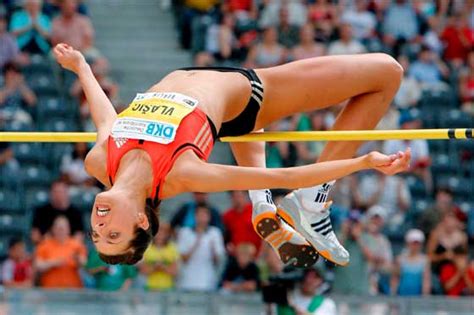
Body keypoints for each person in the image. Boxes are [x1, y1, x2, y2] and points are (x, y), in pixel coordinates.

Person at [52, 42, 410, 267]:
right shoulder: (180, 175)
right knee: (387, 72)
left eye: (96, 235)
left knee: (243, 132)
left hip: (219, 103)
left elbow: (105, 119)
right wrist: (363, 163)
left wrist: (82, 67)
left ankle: (262, 205)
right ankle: (314, 201)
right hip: (247, 91)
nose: (98, 228)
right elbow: (284, 177)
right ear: (142, 222)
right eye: (112, 235)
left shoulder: (98, 162)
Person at [176, 205, 225, 291]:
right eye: (199, 215)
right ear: (195, 216)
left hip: (208, 280)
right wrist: (196, 244)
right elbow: (183, 259)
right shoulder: (185, 232)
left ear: (209, 217)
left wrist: (212, 249)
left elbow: (218, 261)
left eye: (204, 215)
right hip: (187, 280)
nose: (202, 218)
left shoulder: (215, 233)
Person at [35, 216, 87, 288]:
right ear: (53, 229)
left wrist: (77, 259)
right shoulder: (44, 245)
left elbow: (85, 264)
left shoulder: (77, 245)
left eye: (63, 229)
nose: (61, 231)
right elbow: (38, 266)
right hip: (49, 289)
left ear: (68, 229)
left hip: (73, 288)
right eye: (58, 229)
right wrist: (54, 262)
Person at [31, 180, 84, 244]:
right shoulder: (41, 211)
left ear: (67, 193)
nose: (58, 195)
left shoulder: (76, 213)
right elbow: (35, 236)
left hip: (69, 249)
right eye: (56, 192)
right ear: (51, 193)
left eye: (61, 192)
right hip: (46, 248)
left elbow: (79, 236)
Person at [391, 229, 431, 296]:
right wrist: (393, 295)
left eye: (417, 243)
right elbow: (395, 279)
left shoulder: (425, 260)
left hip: (417, 297)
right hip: (401, 296)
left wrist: (425, 297)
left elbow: (426, 281)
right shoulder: (400, 259)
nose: (415, 246)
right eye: (413, 243)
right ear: (408, 243)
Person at [140, 223, 179, 291]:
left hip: (168, 288)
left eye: (163, 233)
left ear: (167, 234)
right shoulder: (147, 249)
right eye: (158, 233)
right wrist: (155, 267)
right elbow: (143, 271)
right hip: (150, 288)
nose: (160, 235)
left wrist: (163, 267)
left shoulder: (172, 249)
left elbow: (175, 272)